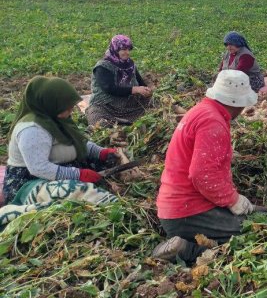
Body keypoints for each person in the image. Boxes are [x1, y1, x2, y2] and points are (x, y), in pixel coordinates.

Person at [153, 70, 262, 264]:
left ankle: (185, 242)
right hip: (187, 212)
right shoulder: (213, 122)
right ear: (236, 103)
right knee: (255, 233)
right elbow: (202, 174)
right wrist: (232, 200)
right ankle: (185, 250)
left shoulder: (202, 111)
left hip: (177, 208)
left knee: (258, 215)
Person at [1, 77, 118, 227]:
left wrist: (100, 152)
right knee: (72, 192)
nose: (71, 110)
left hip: (63, 167)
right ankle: (110, 205)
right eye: (67, 107)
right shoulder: (32, 129)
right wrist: (78, 174)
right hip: (31, 179)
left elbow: (77, 141)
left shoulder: (56, 118)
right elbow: (39, 168)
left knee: (109, 164)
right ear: (51, 104)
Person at [86, 34, 153, 127]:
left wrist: (146, 90)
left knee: (154, 103)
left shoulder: (129, 64)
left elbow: (141, 82)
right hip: (106, 106)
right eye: (124, 49)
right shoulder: (103, 66)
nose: (127, 52)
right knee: (97, 122)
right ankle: (115, 127)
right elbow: (109, 88)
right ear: (115, 49)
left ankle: (127, 123)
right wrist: (134, 89)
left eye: (128, 49)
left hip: (128, 105)